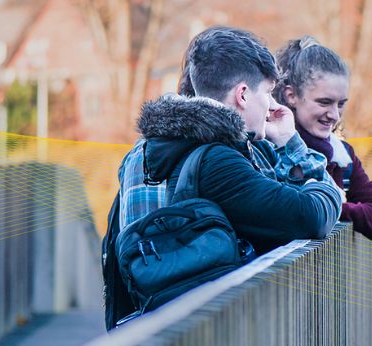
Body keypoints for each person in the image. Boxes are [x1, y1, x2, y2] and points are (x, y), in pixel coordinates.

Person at [104, 27, 344, 329]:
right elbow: (311, 215)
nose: (271, 106)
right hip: (207, 329)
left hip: (144, 329)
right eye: (267, 93)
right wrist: (291, 142)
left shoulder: (138, 154)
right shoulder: (220, 160)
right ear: (242, 94)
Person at [273, 36, 372, 242]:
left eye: (340, 104)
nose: (335, 115)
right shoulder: (270, 150)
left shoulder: (343, 156)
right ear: (291, 95)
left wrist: (334, 207)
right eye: (324, 102)